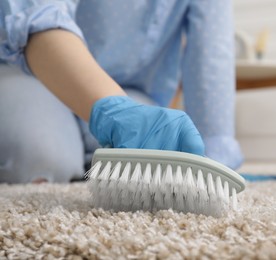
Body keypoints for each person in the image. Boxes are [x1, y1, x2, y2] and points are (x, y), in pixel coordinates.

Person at [0, 0, 243, 183]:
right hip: (32, 71)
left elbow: (211, 52)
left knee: (157, 165)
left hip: (130, 91)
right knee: (40, 159)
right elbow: (35, 17)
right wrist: (112, 108)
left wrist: (214, 151)